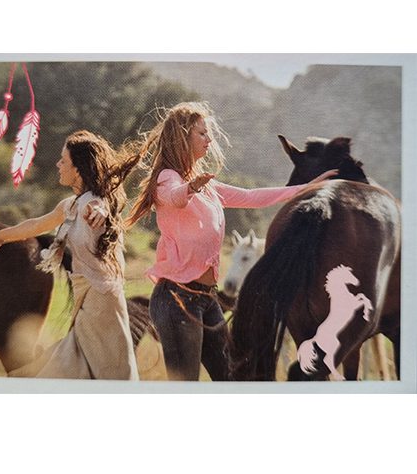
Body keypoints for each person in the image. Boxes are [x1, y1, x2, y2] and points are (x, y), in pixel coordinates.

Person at [126, 102, 338, 381]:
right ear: (183, 137)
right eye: (202, 133)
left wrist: (308, 188)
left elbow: (252, 197)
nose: (209, 139)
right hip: (176, 299)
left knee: (230, 377)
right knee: (184, 387)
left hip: (206, 298)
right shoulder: (167, 178)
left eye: (208, 133)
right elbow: (174, 197)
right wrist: (190, 187)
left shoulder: (209, 188)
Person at [0, 130, 143, 380]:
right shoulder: (71, 205)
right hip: (88, 301)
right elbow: (36, 225)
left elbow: (99, 206)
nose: (58, 165)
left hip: (102, 304)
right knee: (82, 370)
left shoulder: (93, 203)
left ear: (78, 169)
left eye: (63, 160)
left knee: (105, 373)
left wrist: (101, 212)